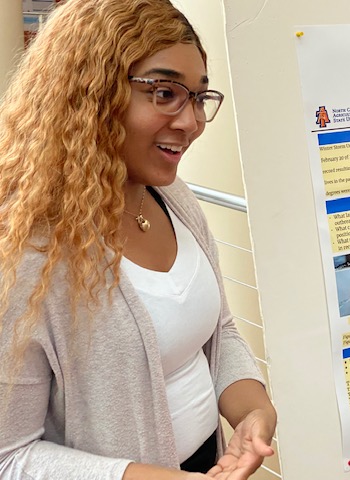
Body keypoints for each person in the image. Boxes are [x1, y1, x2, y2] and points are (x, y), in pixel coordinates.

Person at [0, 1, 277, 479]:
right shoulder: (28, 250)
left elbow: (219, 330)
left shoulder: (171, 197)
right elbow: (11, 454)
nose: (191, 122)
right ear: (90, 93)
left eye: (197, 97)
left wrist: (253, 411)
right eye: (165, 93)